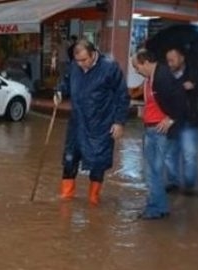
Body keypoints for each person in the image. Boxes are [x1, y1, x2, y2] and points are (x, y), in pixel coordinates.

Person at [53, 39, 130, 205]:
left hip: (100, 124)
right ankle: (66, 196)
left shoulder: (110, 68)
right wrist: (59, 91)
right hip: (77, 122)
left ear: (93, 53)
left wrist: (119, 122)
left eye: (84, 60)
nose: (81, 65)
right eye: (78, 61)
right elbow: (66, 82)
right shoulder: (75, 66)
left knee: (98, 161)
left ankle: (93, 198)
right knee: (69, 158)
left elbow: (122, 96)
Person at [131, 49, 188, 219]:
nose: (136, 70)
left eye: (137, 66)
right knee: (152, 171)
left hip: (159, 131)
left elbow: (182, 101)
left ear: (146, 63)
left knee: (153, 171)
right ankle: (159, 207)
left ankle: (155, 209)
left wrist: (171, 119)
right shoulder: (152, 78)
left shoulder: (163, 77)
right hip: (152, 129)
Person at [164, 48, 198, 195]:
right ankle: (173, 182)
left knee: (189, 154)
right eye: (168, 60)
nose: (170, 63)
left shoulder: (194, 74)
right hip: (173, 121)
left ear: (181, 58)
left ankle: (189, 184)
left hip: (189, 120)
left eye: (172, 60)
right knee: (170, 154)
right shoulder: (167, 75)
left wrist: (194, 87)